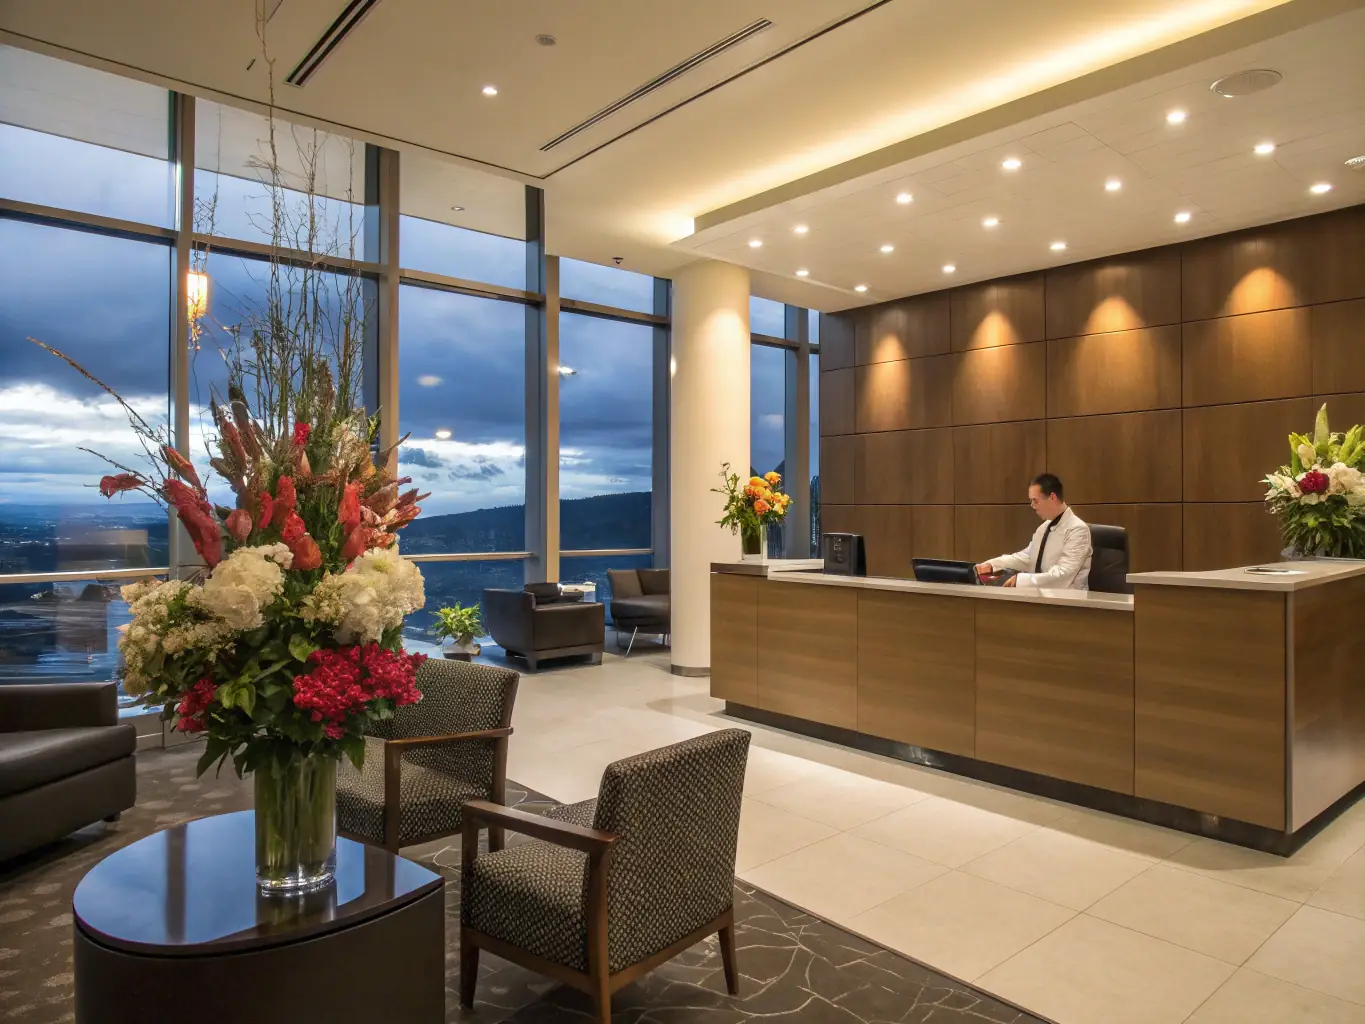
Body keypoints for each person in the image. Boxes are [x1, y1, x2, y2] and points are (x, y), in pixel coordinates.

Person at [975, 473, 1092, 590]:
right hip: (1042, 598)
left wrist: (1020, 580)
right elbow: (1027, 558)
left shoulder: (1078, 530)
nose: (1032, 506)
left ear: (1052, 497)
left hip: (1070, 602)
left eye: (1035, 501)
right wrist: (993, 565)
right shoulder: (1043, 528)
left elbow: (1063, 576)